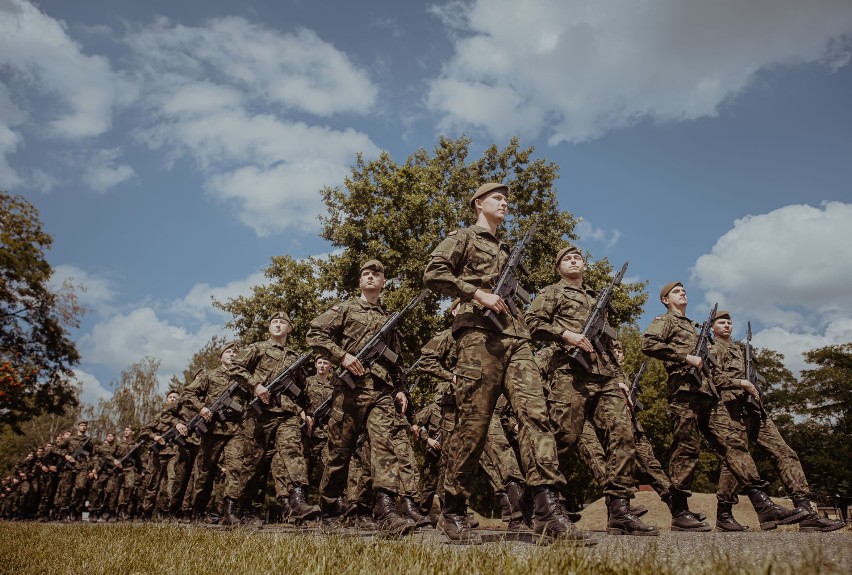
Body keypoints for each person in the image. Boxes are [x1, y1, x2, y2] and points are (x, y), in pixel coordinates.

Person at [423, 182, 591, 544]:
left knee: (536, 416)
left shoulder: (506, 249)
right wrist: (475, 292)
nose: (504, 203)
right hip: (477, 338)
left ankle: (547, 509)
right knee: (474, 426)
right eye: (497, 198)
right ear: (478, 203)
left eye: (506, 200)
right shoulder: (464, 238)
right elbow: (433, 272)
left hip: (517, 339)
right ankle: (453, 507)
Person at [641, 282, 807, 531]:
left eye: (684, 289)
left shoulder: (697, 329)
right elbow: (648, 343)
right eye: (676, 291)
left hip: (711, 395)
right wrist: (685, 357)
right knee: (687, 451)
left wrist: (736, 382)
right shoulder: (666, 320)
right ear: (665, 300)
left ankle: (763, 505)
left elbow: (713, 370)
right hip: (685, 394)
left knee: (734, 446)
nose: (682, 292)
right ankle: (679, 511)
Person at [526, 244, 657, 536]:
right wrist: (565, 334)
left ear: (585, 267)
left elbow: (609, 344)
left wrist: (621, 377)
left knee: (623, 435)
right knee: (565, 438)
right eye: (567, 259)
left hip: (606, 376)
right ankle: (539, 498)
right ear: (558, 268)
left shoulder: (597, 299)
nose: (574, 261)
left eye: (578, 258)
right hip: (570, 373)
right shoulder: (552, 293)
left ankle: (620, 510)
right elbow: (532, 323)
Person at [307, 259, 415, 536]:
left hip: (381, 392)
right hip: (349, 392)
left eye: (376, 274)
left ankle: (386, 511)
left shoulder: (389, 318)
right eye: (366, 273)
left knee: (384, 449)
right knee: (339, 454)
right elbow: (314, 333)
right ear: (359, 281)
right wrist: (342, 356)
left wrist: (401, 388)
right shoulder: (344, 309)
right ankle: (329, 509)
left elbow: (396, 359)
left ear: (383, 283)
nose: (370, 277)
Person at [710, 310, 845, 532]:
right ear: (713, 327)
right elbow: (714, 378)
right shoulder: (714, 349)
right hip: (732, 410)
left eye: (729, 322)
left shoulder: (742, 350)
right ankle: (724, 514)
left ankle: (806, 511)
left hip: (755, 409)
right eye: (721, 322)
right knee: (735, 461)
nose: (726, 326)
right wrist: (741, 383)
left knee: (784, 452)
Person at [227, 312, 318, 527]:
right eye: (274, 322)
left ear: (290, 328)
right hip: (260, 414)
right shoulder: (257, 348)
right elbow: (234, 367)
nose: (278, 325)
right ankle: (245, 508)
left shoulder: (295, 356)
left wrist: (306, 411)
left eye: (282, 322)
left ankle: (298, 500)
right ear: (269, 327)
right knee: (253, 464)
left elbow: (302, 389)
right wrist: (255, 385)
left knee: (293, 453)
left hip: (286, 414)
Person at [180, 341, 246, 522]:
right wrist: (201, 409)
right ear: (221, 356)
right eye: (229, 352)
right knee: (204, 472)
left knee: (236, 470)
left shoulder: (243, 377)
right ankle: (198, 509)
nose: (232, 355)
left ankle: (230, 511)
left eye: (235, 353)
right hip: (212, 430)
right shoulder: (209, 375)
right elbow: (187, 394)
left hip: (236, 430)